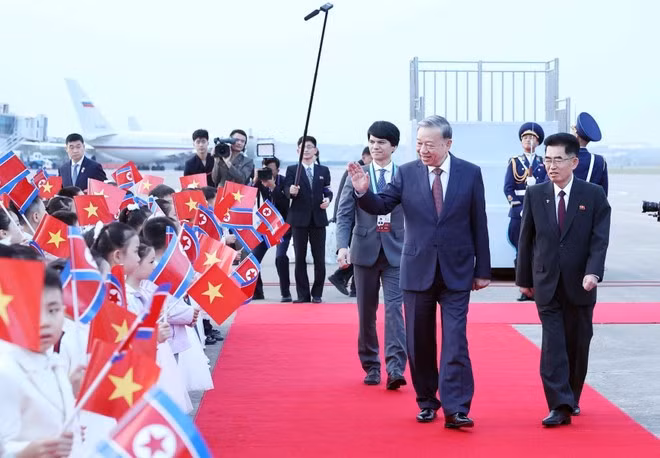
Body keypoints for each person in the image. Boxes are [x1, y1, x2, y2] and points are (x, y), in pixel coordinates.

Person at [348, 115, 491, 429]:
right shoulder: (406, 174)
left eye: (430, 144)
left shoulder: (470, 173)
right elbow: (381, 204)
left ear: (447, 144)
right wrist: (363, 192)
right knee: (419, 340)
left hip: (456, 271)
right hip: (416, 269)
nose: (423, 150)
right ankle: (427, 401)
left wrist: (483, 270)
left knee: (455, 340)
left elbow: (478, 222)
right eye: (419, 144)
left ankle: (456, 408)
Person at [516, 132, 611, 427]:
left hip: (582, 283)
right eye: (548, 159)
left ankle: (572, 395)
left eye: (558, 159)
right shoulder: (535, 194)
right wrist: (524, 279)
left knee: (578, 343)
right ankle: (559, 404)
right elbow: (526, 238)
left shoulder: (593, 195)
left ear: (574, 161)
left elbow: (599, 239)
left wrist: (594, 271)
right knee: (553, 344)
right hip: (547, 283)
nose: (551, 165)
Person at [337, 121, 407, 389]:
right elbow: (344, 212)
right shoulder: (357, 173)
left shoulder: (405, 174)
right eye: (372, 141)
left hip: (397, 253)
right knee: (366, 312)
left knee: (395, 312)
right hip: (364, 252)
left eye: (381, 142)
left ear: (394, 147)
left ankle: (396, 368)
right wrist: (342, 246)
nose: (375, 147)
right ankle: (371, 365)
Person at [0, 266, 82, 456]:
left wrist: (74, 431)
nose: (45, 321)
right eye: (31, 310)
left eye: (53, 310)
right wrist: (26, 452)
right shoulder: (6, 370)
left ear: (64, 310)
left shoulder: (54, 363)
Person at [284, 136, 333, 303]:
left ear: (315, 150)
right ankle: (302, 295)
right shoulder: (292, 170)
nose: (306, 150)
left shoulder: (323, 171)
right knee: (300, 258)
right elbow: (287, 190)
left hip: (318, 219)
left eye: (310, 146)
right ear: (298, 150)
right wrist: (291, 191)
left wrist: (328, 199)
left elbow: (327, 190)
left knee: (319, 258)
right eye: (302, 147)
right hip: (299, 220)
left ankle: (317, 293)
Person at [504, 122, 548, 301]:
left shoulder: (543, 163)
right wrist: (520, 207)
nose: (529, 141)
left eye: (532, 138)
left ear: (538, 143)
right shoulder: (514, 162)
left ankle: (537, 288)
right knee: (520, 251)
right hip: (519, 211)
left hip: (538, 211)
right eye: (526, 138)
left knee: (538, 251)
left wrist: (535, 186)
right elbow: (508, 188)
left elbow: (547, 186)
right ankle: (524, 288)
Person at [329, 146, 372, 297]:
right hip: (353, 219)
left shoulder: (371, 172)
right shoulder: (353, 172)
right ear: (364, 157)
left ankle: (348, 283)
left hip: (367, 220)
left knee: (361, 253)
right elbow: (342, 197)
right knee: (357, 252)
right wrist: (336, 217)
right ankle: (343, 279)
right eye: (370, 158)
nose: (372, 161)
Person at [251, 157, 292, 302]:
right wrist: (255, 180)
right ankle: (257, 292)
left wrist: (273, 186)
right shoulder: (260, 181)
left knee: (280, 257)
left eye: (270, 170)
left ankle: (285, 293)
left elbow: (285, 202)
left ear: (277, 170)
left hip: (283, 224)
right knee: (253, 257)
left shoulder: (285, 180)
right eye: (265, 169)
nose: (267, 173)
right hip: (267, 224)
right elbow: (247, 198)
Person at [572, 112, 608, 195]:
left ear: (576, 135)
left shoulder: (564, 157)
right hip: (590, 207)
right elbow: (603, 195)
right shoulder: (599, 161)